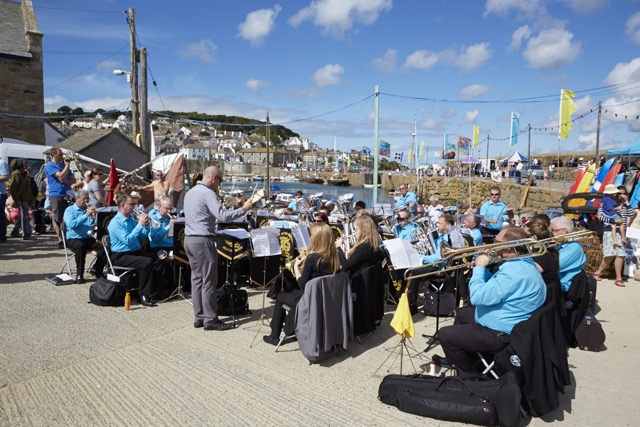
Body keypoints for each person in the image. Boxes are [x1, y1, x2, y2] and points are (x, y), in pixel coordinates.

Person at [435, 226, 547, 373]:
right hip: (509, 323)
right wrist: (481, 273)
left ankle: (469, 377)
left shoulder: (513, 272)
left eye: (496, 241)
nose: (492, 244)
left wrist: (479, 269)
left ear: (508, 247)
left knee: (445, 335)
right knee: (462, 314)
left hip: (501, 333)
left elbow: (477, 298)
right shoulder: (523, 262)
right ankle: (462, 359)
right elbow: (499, 286)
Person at [183, 166, 253, 331]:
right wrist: (243, 209)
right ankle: (210, 319)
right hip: (203, 239)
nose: (220, 184)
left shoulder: (191, 192)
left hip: (189, 239)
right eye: (220, 180)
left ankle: (199, 316)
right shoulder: (208, 193)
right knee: (209, 280)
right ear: (213, 177)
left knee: (197, 279)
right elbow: (222, 216)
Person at [263, 223, 343, 345]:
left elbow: (302, 283)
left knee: (280, 297)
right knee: (291, 291)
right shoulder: (335, 255)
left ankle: (274, 336)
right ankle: (287, 323)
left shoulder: (313, 258)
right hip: (327, 298)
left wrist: (296, 267)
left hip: (311, 299)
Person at [107, 192, 156, 307]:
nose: (134, 206)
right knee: (146, 262)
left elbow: (141, 237)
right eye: (132, 204)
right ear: (123, 205)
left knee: (158, 258)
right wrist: (139, 225)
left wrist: (146, 226)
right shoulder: (115, 223)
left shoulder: (130, 220)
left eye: (135, 204)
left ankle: (156, 290)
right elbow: (128, 240)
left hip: (133, 252)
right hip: (120, 255)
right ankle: (143, 295)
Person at [63, 189, 107, 284]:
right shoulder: (69, 210)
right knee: (80, 246)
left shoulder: (88, 209)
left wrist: (96, 217)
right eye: (84, 198)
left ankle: (96, 269)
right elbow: (72, 224)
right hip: (74, 239)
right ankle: (79, 275)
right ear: (76, 199)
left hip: (89, 238)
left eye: (87, 198)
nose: (86, 201)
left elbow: (93, 225)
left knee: (106, 245)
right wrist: (86, 215)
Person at [45, 148, 76, 248]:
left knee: (69, 216)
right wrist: (67, 166)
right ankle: (60, 239)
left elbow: (73, 180)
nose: (62, 156)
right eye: (59, 154)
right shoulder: (50, 166)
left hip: (68, 194)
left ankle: (68, 237)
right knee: (58, 217)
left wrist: (66, 181)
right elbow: (61, 176)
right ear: (53, 154)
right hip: (56, 194)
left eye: (62, 154)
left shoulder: (63, 165)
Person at [148, 196, 177, 298]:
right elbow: (155, 238)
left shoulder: (171, 218)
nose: (169, 211)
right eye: (167, 208)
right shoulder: (154, 218)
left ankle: (174, 289)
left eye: (171, 208)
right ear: (159, 206)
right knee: (161, 263)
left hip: (171, 247)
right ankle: (159, 290)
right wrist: (169, 226)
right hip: (158, 247)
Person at [550, 216, 587, 290]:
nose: (550, 233)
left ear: (564, 231)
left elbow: (552, 267)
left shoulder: (573, 248)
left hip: (561, 289)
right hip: (552, 284)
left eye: (553, 230)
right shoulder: (558, 244)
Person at [9, 158, 34, 240]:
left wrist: (32, 198)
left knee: (24, 216)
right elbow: (13, 188)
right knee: (25, 217)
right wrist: (16, 200)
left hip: (26, 198)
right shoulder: (16, 174)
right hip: (21, 199)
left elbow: (28, 188)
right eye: (25, 164)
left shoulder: (24, 174)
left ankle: (15, 232)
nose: (27, 165)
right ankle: (27, 234)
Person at [0, 156, 10, 242]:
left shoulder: (2, 163)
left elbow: (6, 176)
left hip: (0, 194)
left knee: (0, 215)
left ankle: (2, 235)